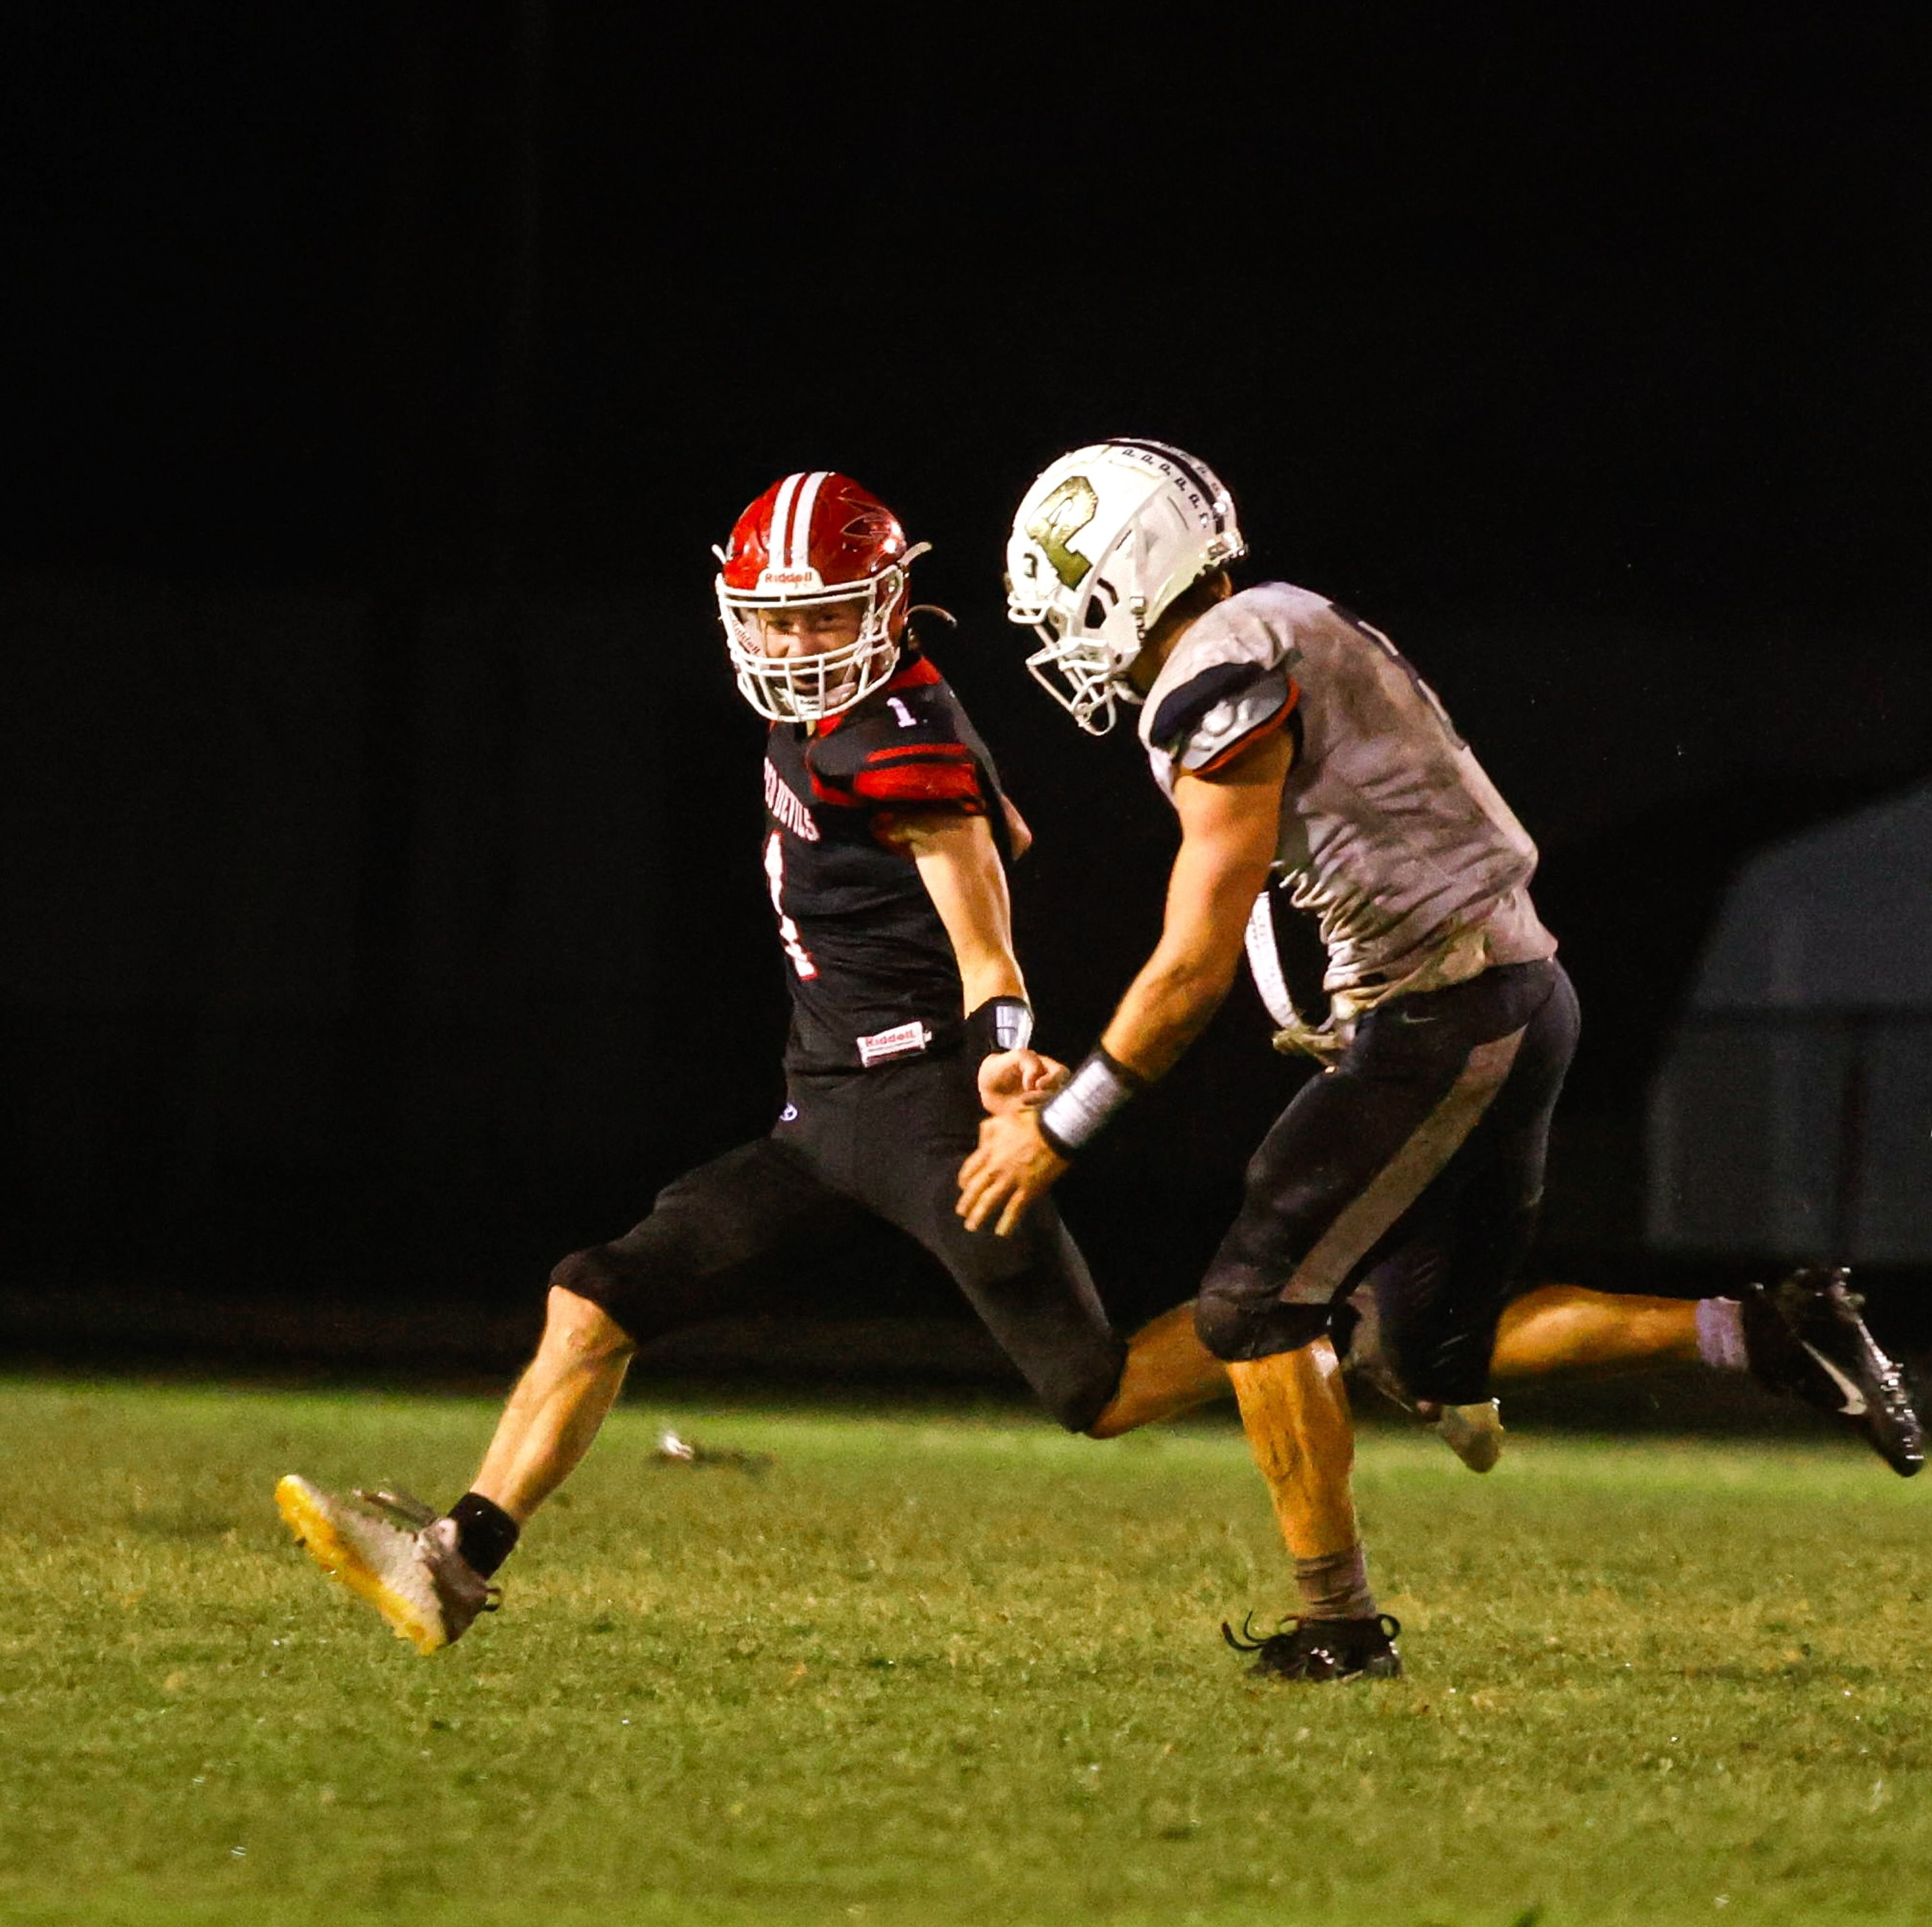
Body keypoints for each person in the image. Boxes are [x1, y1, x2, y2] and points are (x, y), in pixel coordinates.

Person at [959, 438, 1922, 1683]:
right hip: (1505, 996)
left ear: (1122, 578)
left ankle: (1339, 1625)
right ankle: (1774, 1333)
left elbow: (1194, 958)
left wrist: (1064, 1125)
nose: (1060, 638)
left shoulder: (1220, 672)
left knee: (1257, 1301)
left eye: (1060, 601)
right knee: (1431, 1356)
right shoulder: (1279, 619)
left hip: (1450, 1013)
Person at [274, 470, 1232, 1653]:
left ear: (884, 603)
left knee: (1096, 1390)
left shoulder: (897, 741)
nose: (796, 641)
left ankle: (1297, 1320)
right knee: (595, 1295)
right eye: (775, 618)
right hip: (825, 1116)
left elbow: (992, 946)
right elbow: (1011, 829)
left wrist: (1001, 1063)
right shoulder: (835, 712)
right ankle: (457, 1563)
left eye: (824, 614)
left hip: (926, 1106)